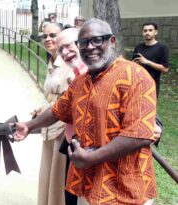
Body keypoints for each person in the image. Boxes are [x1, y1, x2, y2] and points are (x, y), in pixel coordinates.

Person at [14, 18, 157, 205]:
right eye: (83, 43)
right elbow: (58, 111)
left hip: (126, 189)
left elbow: (139, 135)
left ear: (112, 41)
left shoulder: (136, 76)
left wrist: (91, 158)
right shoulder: (80, 82)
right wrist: (29, 125)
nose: (90, 47)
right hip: (89, 185)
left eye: (97, 40)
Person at [31, 23, 73, 205]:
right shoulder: (51, 60)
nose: (48, 39)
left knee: (58, 171)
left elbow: (70, 96)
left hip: (62, 123)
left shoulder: (68, 62)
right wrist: (42, 108)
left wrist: (51, 107)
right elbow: (52, 95)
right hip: (49, 120)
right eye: (44, 36)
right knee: (49, 169)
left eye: (53, 35)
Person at [55, 27, 88, 205]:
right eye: (60, 50)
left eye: (68, 46)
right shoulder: (76, 75)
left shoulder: (97, 70)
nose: (65, 53)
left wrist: (156, 125)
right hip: (73, 146)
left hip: (94, 153)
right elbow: (59, 110)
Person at [132, 22, 169, 97]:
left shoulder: (162, 48)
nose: (147, 32)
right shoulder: (138, 47)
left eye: (150, 30)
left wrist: (147, 62)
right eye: (145, 31)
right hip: (137, 85)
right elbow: (133, 65)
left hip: (152, 85)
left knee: (150, 108)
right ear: (142, 33)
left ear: (156, 32)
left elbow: (165, 69)